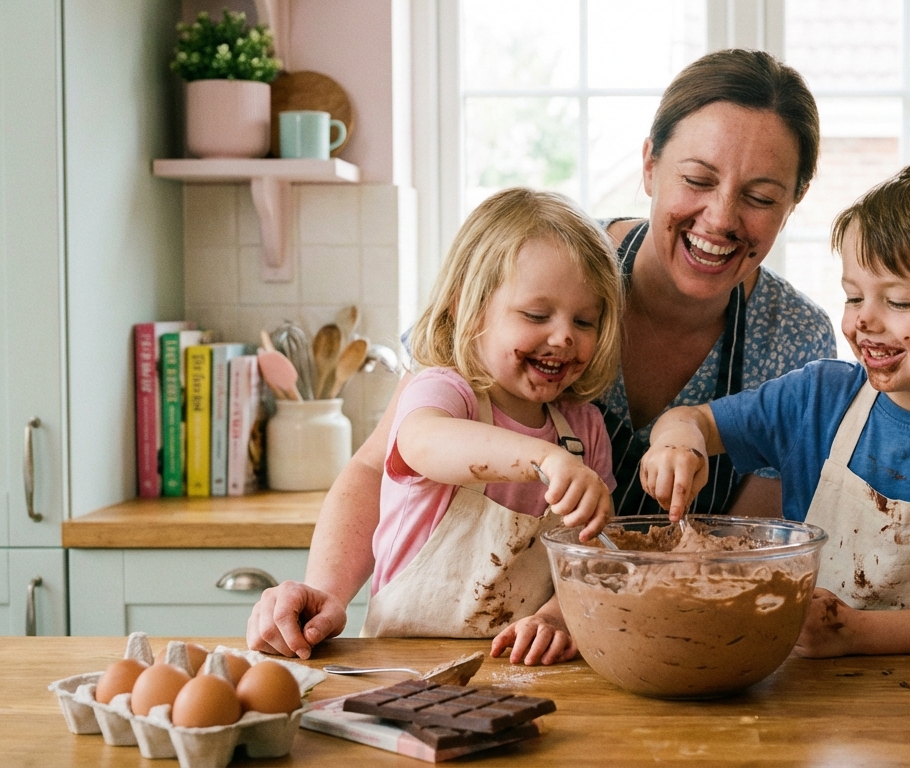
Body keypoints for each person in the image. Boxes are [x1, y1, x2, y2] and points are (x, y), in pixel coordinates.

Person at [246, 49, 835, 661]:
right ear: (650, 165)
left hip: (662, 649)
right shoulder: (549, 266)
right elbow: (383, 465)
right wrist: (322, 595)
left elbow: (737, 547)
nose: (720, 217)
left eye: (761, 196)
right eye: (697, 179)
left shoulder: (792, 342)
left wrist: (568, 612)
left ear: (795, 200)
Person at [639, 159, 910, 659]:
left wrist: (854, 633)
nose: (864, 320)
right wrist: (676, 444)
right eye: (853, 296)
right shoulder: (817, 401)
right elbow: (693, 419)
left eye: (899, 302)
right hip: (807, 695)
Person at [359, 187, 621, 666]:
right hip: (402, 666)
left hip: (521, 670)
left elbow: (592, 558)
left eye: (585, 321)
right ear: (468, 306)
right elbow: (422, 442)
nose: (564, 335)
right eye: (536, 314)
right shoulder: (445, 392)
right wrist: (543, 459)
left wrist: (558, 619)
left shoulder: (585, 430)